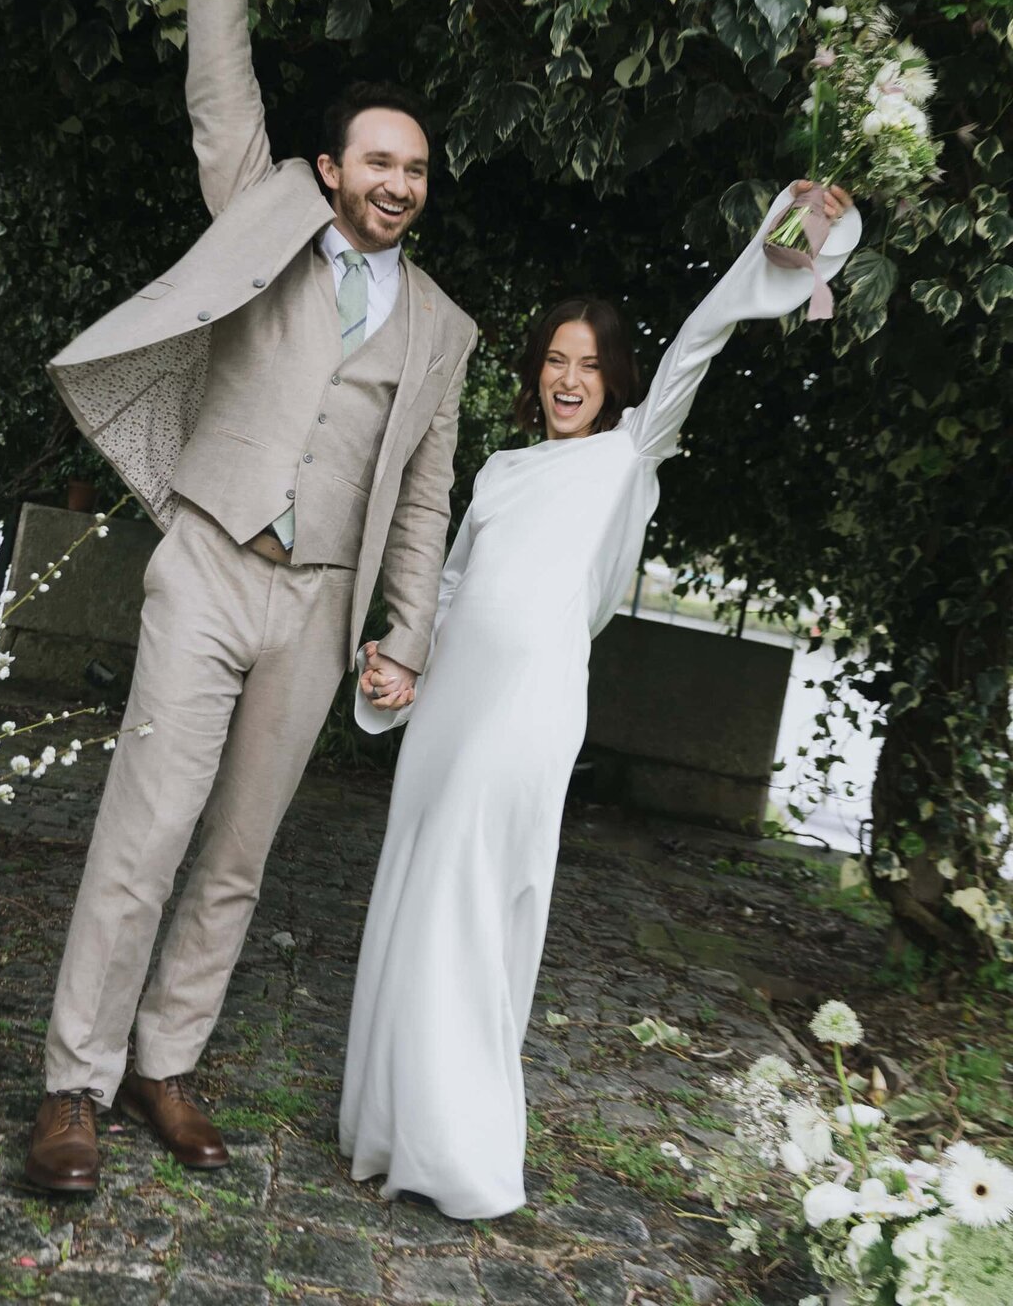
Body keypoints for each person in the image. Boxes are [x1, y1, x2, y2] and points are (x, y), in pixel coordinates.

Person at [24, 0, 476, 1192]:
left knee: (237, 854)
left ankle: (165, 1065)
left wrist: (405, 632)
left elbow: (423, 500)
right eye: (377, 160)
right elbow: (223, 99)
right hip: (214, 561)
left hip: (321, 607)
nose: (397, 182)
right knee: (146, 828)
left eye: (415, 167)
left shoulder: (445, 331)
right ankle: (73, 1086)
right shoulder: (267, 219)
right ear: (334, 170)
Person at [340, 180, 861, 1221]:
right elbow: (449, 589)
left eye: (588, 364)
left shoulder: (632, 455)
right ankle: (389, 1127)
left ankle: (459, 1151)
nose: (569, 378)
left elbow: (700, 341)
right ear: (536, 373)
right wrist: (401, 665)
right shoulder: (500, 469)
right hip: (449, 711)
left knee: (474, 902)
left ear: (616, 379)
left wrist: (787, 238)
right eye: (554, 360)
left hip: (529, 709)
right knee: (417, 887)